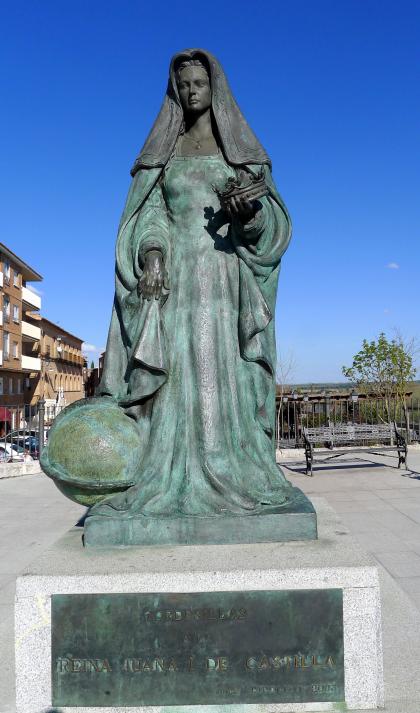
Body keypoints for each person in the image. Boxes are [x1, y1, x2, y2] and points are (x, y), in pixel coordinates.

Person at [94, 49, 293, 519]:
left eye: (199, 83)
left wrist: (250, 216)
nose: (191, 91)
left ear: (214, 87)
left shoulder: (239, 152)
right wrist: (153, 254)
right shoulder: (161, 155)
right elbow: (149, 214)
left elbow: (271, 225)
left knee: (222, 372)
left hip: (224, 281)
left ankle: (233, 467)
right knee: (176, 373)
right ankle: (165, 474)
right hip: (175, 280)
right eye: (183, 85)